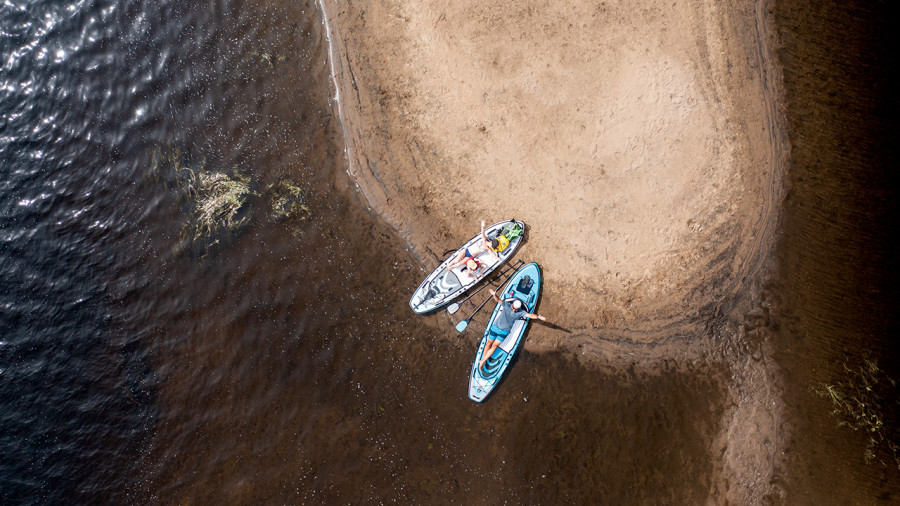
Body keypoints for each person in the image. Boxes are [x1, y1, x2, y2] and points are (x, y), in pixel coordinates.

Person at [478, 288, 546, 372]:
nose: (514, 310)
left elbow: (531, 315)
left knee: (494, 346)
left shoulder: (521, 312)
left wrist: (538, 316)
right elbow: (498, 300)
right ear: (512, 305)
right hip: (495, 327)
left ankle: (483, 361)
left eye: (516, 309)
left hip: (504, 332)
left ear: (519, 308)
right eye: (513, 308)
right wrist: (494, 294)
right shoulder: (506, 305)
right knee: (488, 343)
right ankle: (483, 360)